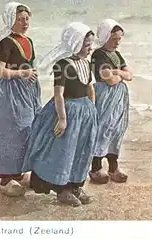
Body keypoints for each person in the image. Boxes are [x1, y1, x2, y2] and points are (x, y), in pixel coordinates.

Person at [22, 22, 98, 207]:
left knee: (82, 150)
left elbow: (89, 87)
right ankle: (62, 190)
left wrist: (92, 109)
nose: (90, 49)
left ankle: (75, 185)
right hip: (68, 111)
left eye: (91, 45)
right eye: (86, 45)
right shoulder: (63, 65)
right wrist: (62, 119)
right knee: (65, 151)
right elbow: (59, 94)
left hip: (85, 112)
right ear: (74, 43)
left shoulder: (86, 64)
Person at [0, 2, 42, 197]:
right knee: (11, 133)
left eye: (26, 18)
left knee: (27, 130)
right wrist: (20, 74)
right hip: (8, 95)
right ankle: (6, 178)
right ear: (11, 20)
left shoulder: (29, 40)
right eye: (19, 19)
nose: (25, 22)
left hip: (27, 92)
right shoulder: (6, 42)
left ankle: (18, 171)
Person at [89, 19, 133, 184]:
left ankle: (113, 167)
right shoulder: (98, 54)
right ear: (105, 36)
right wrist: (118, 73)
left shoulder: (116, 54)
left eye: (119, 39)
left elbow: (129, 75)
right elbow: (109, 80)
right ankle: (96, 167)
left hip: (119, 98)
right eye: (114, 39)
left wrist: (117, 73)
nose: (117, 42)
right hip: (105, 97)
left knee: (117, 129)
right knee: (103, 128)